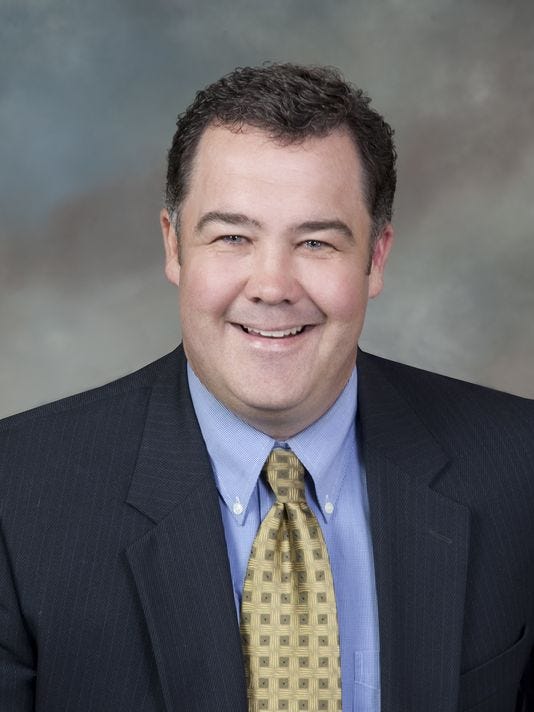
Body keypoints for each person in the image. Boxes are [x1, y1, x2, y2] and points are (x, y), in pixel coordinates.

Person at [0, 63, 533, 712]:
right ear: (174, 246)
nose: (273, 286)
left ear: (376, 258)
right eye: (233, 237)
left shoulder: (520, 470)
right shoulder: (17, 493)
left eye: (316, 242)